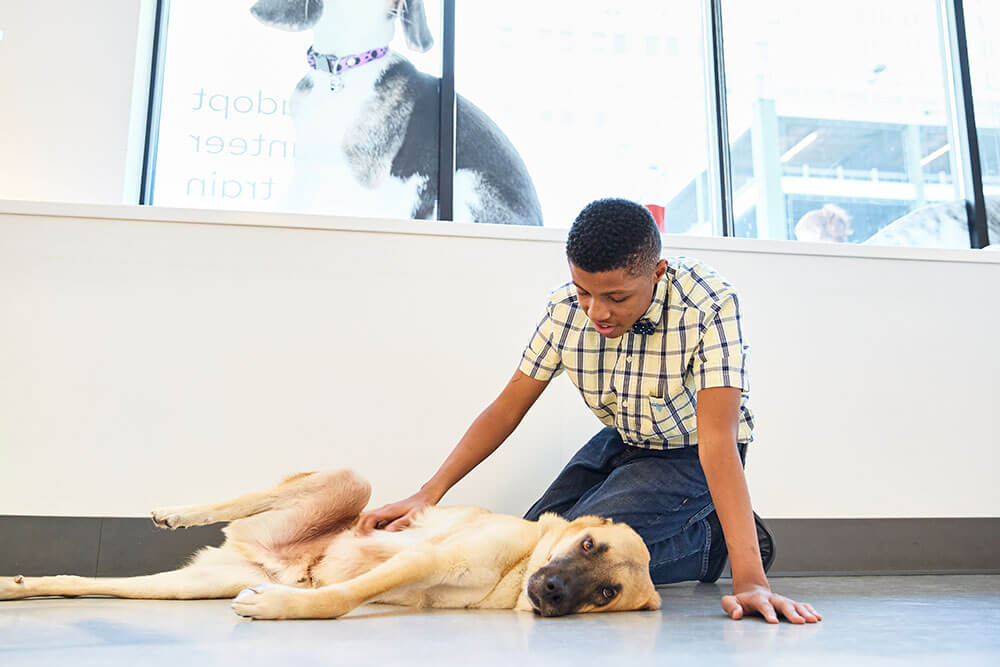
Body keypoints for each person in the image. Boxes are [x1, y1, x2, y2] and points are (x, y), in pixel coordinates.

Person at [358, 198, 821, 624]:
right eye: (585, 292)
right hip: (625, 440)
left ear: (657, 272)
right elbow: (507, 407)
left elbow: (718, 441)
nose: (597, 312)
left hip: (692, 451)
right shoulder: (564, 309)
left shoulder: (710, 305)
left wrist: (750, 582)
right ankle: (707, 534)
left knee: (568, 563)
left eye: (616, 298)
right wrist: (428, 492)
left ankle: (713, 546)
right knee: (530, 542)